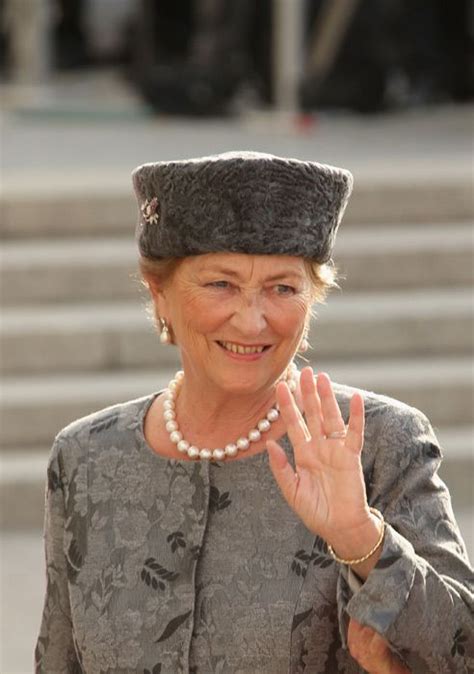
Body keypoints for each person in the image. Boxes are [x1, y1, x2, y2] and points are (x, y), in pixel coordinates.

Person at [35, 151, 473, 673]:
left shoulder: (377, 443)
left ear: (313, 298)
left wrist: (361, 538)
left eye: (282, 288)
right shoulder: (85, 457)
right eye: (221, 284)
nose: (251, 320)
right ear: (160, 293)